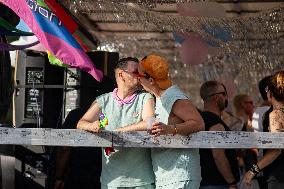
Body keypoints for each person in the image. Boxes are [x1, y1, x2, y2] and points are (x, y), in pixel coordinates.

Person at [77, 57, 155, 189]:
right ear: (121, 74)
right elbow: (81, 123)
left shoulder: (145, 97)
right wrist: (92, 125)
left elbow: (150, 122)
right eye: (136, 71)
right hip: (111, 180)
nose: (140, 75)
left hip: (142, 180)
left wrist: (120, 131)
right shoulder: (103, 100)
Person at [137, 55, 205, 189]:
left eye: (138, 75)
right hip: (169, 175)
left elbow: (198, 123)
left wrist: (171, 129)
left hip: (180, 174)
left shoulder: (172, 96)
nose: (137, 78)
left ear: (150, 80)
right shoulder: (160, 97)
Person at [244, 70, 284, 189]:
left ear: (270, 92)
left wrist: (253, 170)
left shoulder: (276, 115)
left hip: (279, 175)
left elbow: (276, 150)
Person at [198, 81, 240, 189]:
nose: (227, 98)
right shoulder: (215, 122)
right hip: (218, 184)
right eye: (224, 94)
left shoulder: (199, 119)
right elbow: (218, 155)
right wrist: (231, 182)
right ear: (217, 98)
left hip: (206, 182)